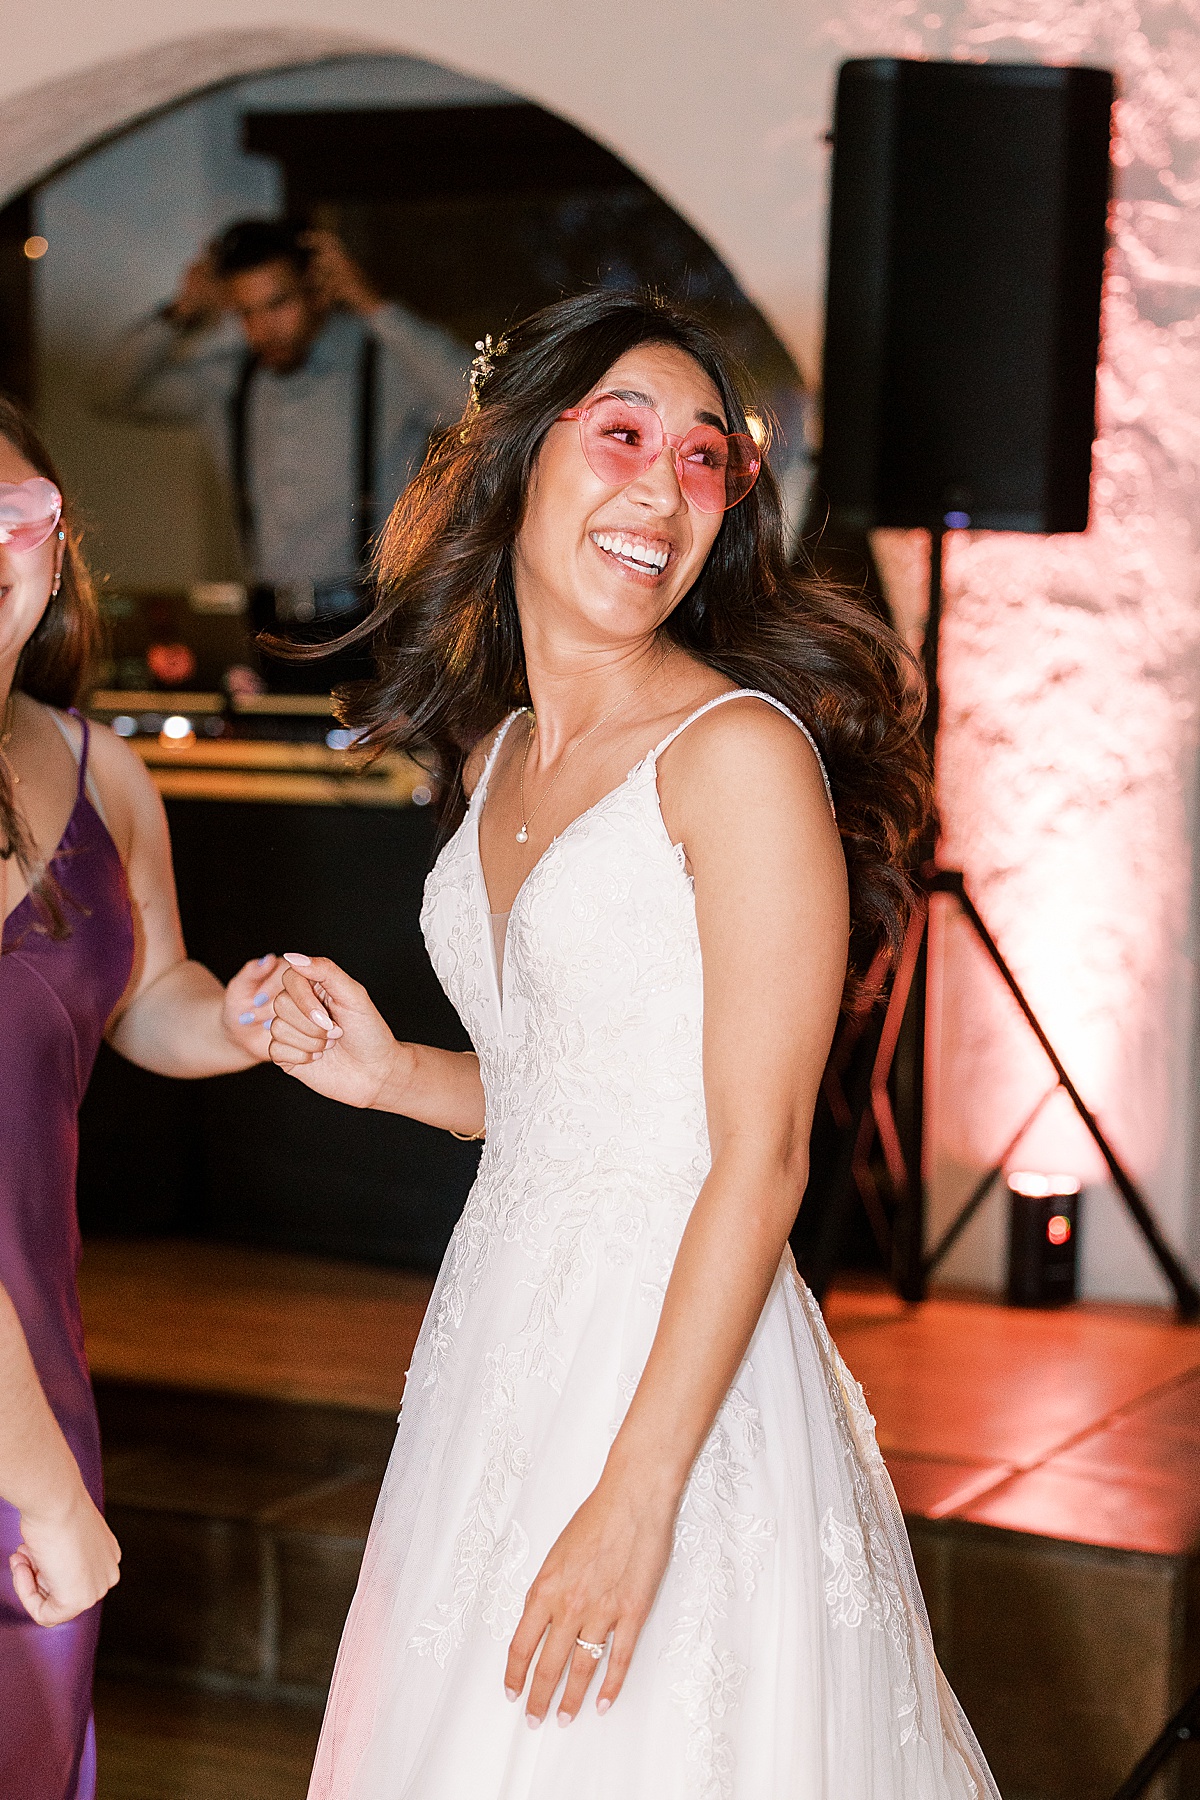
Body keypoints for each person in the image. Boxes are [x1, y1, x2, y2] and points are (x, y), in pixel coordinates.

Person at [270, 292, 999, 1799]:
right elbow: (574, 1100)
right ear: (517, 458)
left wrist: (637, 1496)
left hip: (677, 1374)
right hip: (502, 1347)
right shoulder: (502, 752)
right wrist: (388, 1070)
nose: (663, 491)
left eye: (705, 460)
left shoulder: (734, 754)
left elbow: (758, 1152)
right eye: (621, 439)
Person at [0, 395, 285, 1800]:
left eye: (15, 516)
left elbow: (143, 997)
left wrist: (240, 1019)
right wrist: (42, 1484)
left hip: (34, 1348)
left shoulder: (101, 770)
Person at [97, 218, 468, 663]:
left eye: (278, 304)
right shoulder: (232, 378)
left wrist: (371, 304)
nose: (262, 328)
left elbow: (476, 400)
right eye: (246, 312)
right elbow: (109, 392)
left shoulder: (384, 363)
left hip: (379, 623)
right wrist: (178, 313)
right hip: (268, 627)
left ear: (316, 291)